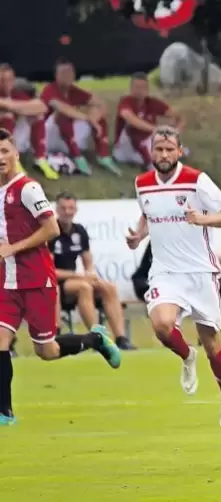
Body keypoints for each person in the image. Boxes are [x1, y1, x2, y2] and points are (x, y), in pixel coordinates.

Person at [0, 128, 121, 425]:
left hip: (36, 279)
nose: (0, 158)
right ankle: (5, 413)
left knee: (47, 350)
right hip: (7, 280)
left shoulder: (27, 189)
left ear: (16, 153)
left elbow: (51, 229)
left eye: (4, 151)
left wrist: (13, 248)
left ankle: (95, 340)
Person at [125, 125, 221, 426]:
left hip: (201, 272)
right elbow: (149, 215)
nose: (163, 155)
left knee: (213, 343)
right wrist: (139, 235)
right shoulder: (142, 183)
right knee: (162, 325)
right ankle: (187, 355)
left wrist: (203, 219)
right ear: (151, 152)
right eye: (158, 149)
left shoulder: (196, 180)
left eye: (169, 149)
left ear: (179, 151)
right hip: (165, 271)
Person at [50, 191, 136, 350]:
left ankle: (121, 339)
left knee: (108, 287)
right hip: (56, 284)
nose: (67, 212)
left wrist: (89, 275)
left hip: (75, 280)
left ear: (75, 210)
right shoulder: (51, 232)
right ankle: (97, 339)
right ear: (57, 209)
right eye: (63, 208)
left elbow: (88, 263)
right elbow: (49, 271)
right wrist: (79, 276)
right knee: (84, 287)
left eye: (71, 208)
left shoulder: (79, 231)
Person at [40, 58, 120, 176]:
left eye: (70, 72)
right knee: (63, 115)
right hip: (49, 137)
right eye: (64, 73)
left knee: (97, 113)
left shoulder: (75, 91)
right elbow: (63, 109)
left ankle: (103, 156)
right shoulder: (50, 90)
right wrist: (89, 119)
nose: (68, 76)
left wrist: (95, 117)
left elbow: (102, 104)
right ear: (57, 75)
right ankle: (77, 157)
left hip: (67, 135)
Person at [113, 72, 186, 171]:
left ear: (147, 89)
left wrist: (177, 130)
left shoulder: (152, 102)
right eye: (137, 87)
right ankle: (152, 161)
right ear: (131, 89)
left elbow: (178, 116)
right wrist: (157, 130)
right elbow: (131, 119)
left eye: (143, 88)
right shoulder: (126, 102)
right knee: (136, 130)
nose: (140, 91)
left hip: (147, 141)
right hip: (126, 147)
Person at [0, 63, 57, 180]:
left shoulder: (16, 93)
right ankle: (11, 160)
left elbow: (42, 107)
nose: (6, 83)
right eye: (2, 80)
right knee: (7, 115)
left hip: (13, 136)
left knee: (37, 115)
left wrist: (13, 106)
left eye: (9, 80)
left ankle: (40, 159)